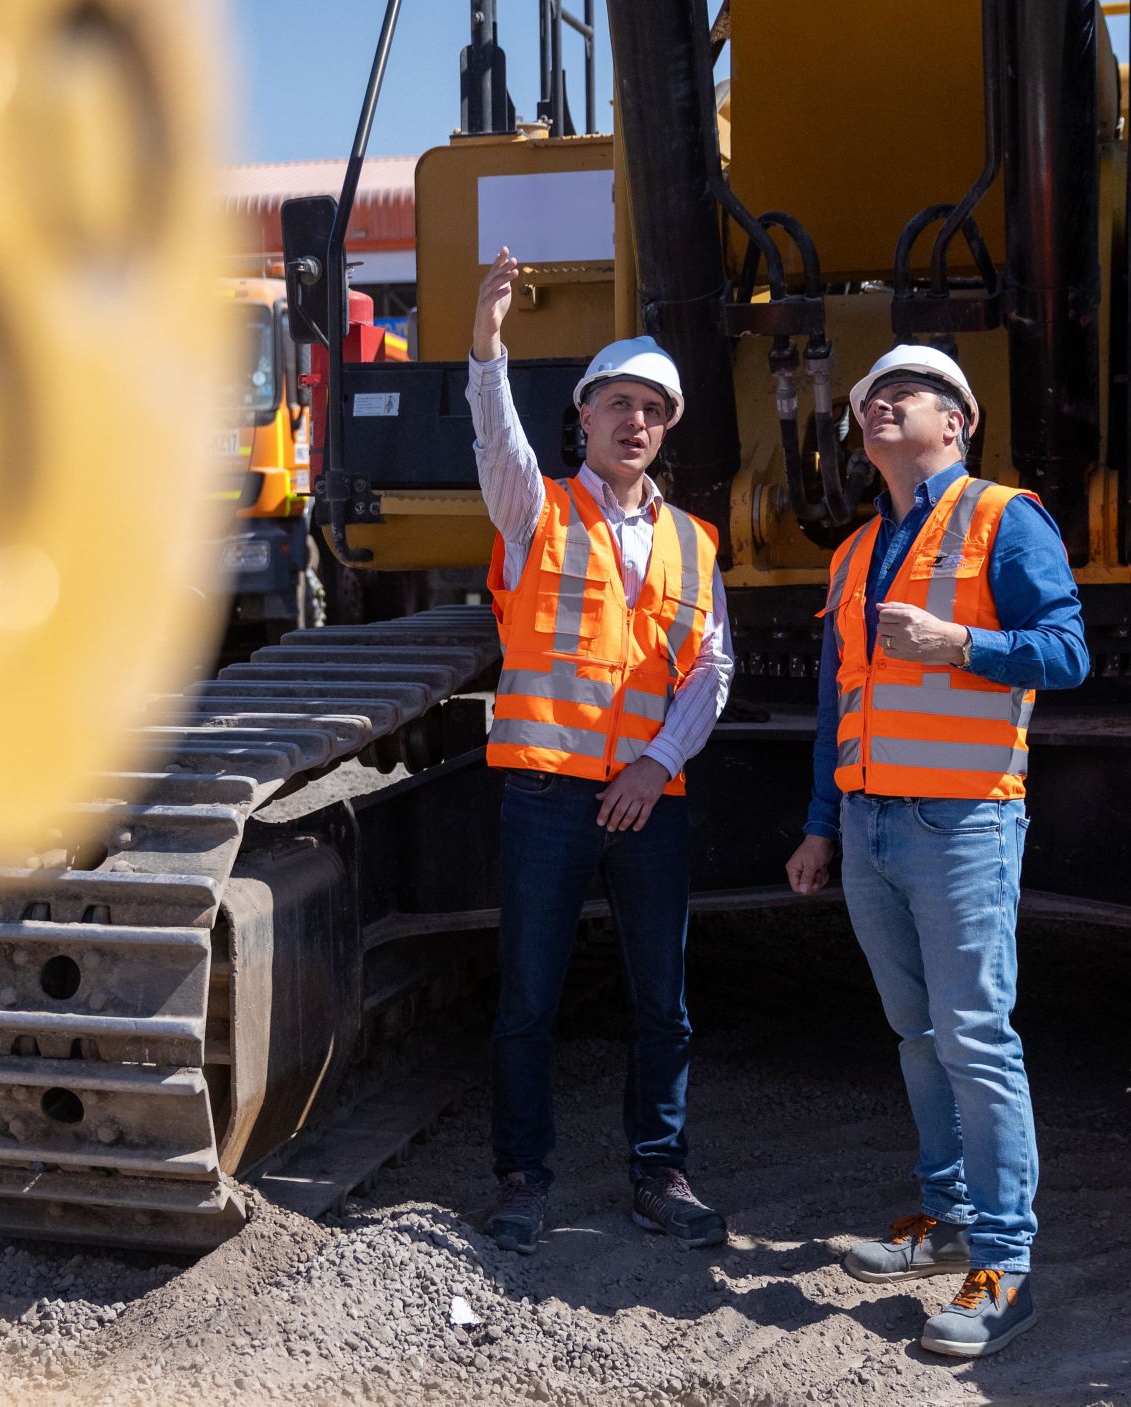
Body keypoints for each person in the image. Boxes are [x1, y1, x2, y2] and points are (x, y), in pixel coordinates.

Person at [782, 344, 1088, 1356]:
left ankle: (1002, 1269)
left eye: (899, 395)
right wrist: (822, 825)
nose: (874, 406)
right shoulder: (854, 553)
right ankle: (944, 1224)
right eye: (867, 399)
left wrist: (960, 646)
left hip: (961, 823)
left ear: (954, 423)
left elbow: (1068, 651)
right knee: (917, 1038)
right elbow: (840, 704)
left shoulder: (1005, 518)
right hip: (871, 827)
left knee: (974, 1039)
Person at [467, 246, 733, 1255]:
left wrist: (657, 763)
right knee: (527, 1000)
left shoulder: (695, 543)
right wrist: (486, 347)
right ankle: (522, 1177)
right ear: (581, 415)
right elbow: (497, 444)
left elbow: (709, 668)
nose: (635, 422)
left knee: (661, 1004)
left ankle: (659, 1174)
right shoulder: (537, 512)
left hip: (647, 802)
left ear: (667, 428)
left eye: (652, 409)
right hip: (545, 799)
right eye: (616, 402)